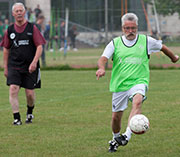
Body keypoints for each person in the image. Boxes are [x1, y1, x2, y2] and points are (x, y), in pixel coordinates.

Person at [96, 13, 179, 152]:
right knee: (116, 117)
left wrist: (173, 58)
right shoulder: (115, 43)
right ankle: (116, 138)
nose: (130, 31)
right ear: (122, 28)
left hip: (139, 81)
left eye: (133, 28)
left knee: (137, 102)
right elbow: (103, 58)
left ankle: (127, 136)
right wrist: (101, 68)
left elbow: (162, 47)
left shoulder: (146, 41)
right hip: (120, 84)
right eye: (127, 28)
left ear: (137, 27)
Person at [0, 2, 46, 125]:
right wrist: (5, 67)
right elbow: (6, 49)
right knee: (13, 89)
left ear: (25, 12)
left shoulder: (32, 28)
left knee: (30, 93)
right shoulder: (9, 30)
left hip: (30, 66)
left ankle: (29, 113)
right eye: (17, 11)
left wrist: (34, 62)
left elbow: (40, 46)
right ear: (13, 14)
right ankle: (16, 118)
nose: (19, 13)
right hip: (14, 65)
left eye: (21, 10)